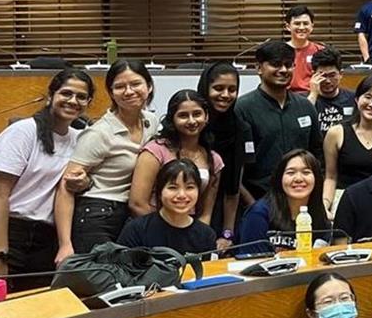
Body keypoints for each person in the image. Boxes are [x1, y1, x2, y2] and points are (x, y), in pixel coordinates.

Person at [0, 69, 94, 287]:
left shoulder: (80, 139)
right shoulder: (24, 131)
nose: (73, 101)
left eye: (81, 97)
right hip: (1, 232)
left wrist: (86, 182)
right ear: (51, 96)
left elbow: (71, 185)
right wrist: (0, 255)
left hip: (43, 240)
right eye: (66, 93)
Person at [53, 60, 158, 262]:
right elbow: (65, 187)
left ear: (149, 86)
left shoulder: (150, 121)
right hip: (95, 215)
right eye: (119, 87)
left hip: (127, 215)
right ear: (111, 93)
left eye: (136, 84)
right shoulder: (99, 133)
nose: (129, 91)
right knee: (104, 283)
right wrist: (65, 244)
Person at [235, 40, 324, 200]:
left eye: (288, 64)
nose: (283, 70)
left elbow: (316, 154)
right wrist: (252, 205)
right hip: (258, 199)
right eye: (276, 64)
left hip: (301, 198)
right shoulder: (242, 108)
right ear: (259, 68)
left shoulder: (306, 107)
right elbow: (235, 167)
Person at [128, 89, 223, 220]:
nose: (191, 121)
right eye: (183, 115)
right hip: (153, 225)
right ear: (172, 119)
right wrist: (169, 231)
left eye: (197, 114)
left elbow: (206, 214)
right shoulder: (155, 150)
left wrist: (196, 235)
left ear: (206, 116)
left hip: (191, 229)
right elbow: (137, 204)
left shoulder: (214, 159)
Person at [236, 150, 334, 255]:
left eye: (306, 172)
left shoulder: (319, 214)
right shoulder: (259, 214)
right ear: (279, 178)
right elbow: (251, 263)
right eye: (291, 173)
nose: (298, 179)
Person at [197, 62, 251, 248]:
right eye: (218, 88)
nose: (225, 95)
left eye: (232, 89)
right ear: (205, 88)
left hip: (223, 211)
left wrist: (227, 233)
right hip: (185, 205)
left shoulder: (239, 128)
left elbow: (233, 188)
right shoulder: (193, 124)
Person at [117, 159, 218, 254]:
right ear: (160, 192)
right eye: (173, 188)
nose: (182, 195)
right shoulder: (136, 230)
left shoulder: (206, 235)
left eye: (189, 187)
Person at [322, 77, 372, 216]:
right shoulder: (337, 133)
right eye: (368, 97)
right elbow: (330, 176)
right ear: (357, 99)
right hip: (344, 199)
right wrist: (325, 205)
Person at [307, 48, 358, 134]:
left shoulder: (353, 98)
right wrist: (313, 94)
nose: (327, 81)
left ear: (341, 74)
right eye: (322, 76)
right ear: (313, 75)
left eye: (332, 75)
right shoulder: (305, 100)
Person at [284, 5, 325, 93]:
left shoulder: (321, 51)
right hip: (286, 97)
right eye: (297, 24)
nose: (302, 28)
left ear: (312, 26)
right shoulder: (280, 51)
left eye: (305, 23)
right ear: (288, 26)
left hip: (315, 96)